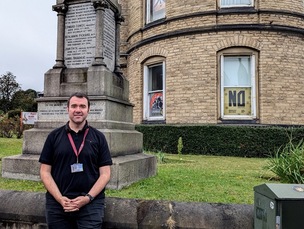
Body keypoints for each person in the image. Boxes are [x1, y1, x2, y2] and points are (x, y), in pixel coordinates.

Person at [39, 92, 112, 229]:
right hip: (58, 204)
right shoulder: (53, 136)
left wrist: (87, 198)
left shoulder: (99, 137)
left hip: (91, 204)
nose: (78, 110)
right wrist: (60, 199)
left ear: (88, 110)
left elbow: (105, 174)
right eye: (74, 106)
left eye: (82, 106)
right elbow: (45, 172)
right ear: (68, 109)